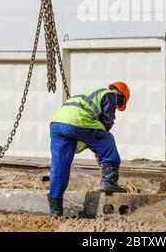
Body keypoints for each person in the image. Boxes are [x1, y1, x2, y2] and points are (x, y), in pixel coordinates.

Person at [47, 81, 130, 216]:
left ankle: (55, 209)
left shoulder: (89, 95)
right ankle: (109, 180)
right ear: (120, 95)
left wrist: (95, 146)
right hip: (76, 120)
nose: (116, 107)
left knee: (59, 166)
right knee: (107, 139)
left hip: (57, 123)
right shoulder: (110, 94)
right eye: (119, 105)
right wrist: (101, 149)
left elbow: (88, 132)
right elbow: (106, 124)